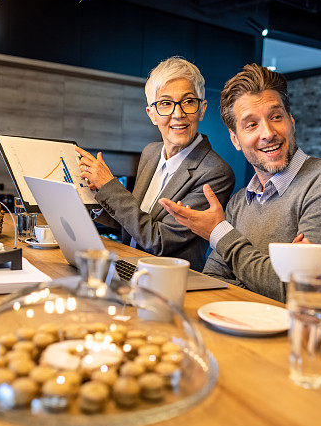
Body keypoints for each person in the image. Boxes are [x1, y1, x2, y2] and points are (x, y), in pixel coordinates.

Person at [160, 64, 321, 302]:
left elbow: (299, 294)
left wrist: (220, 233)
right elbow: (214, 281)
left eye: (275, 117)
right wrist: (269, 275)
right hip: (232, 331)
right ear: (236, 139)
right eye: (251, 124)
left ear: (291, 121)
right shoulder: (239, 202)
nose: (268, 133)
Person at [76, 57, 235, 271]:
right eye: (166, 104)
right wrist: (92, 198)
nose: (177, 114)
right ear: (152, 114)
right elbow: (133, 224)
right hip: (127, 266)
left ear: (202, 109)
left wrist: (109, 186)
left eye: (188, 102)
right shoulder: (151, 152)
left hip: (170, 283)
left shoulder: (215, 172)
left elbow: (158, 240)